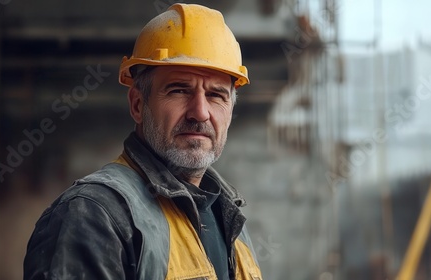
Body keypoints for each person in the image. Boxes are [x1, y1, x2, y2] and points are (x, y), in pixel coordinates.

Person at [23, 3, 262, 280]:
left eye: (216, 95)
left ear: (230, 110)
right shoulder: (94, 214)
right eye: (179, 90)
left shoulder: (231, 220)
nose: (200, 112)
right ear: (138, 104)